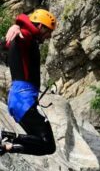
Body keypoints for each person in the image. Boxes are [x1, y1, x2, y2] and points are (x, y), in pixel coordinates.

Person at [0, 9, 57, 156]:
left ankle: (6, 145)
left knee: (45, 144)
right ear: (40, 27)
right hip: (23, 99)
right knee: (48, 145)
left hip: (20, 99)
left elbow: (5, 44)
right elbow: (21, 36)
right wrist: (17, 25)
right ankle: (5, 139)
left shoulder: (25, 38)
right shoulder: (25, 36)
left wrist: (17, 27)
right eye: (48, 31)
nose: (49, 36)